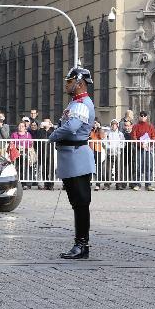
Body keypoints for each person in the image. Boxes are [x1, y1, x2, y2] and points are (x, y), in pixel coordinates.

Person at [50, 66, 96, 259]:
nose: (67, 84)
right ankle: (80, 243)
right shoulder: (75, 103)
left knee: (80, 203)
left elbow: (71, 127)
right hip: (71, 157)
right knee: (78, 203)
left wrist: (52, 135)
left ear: (79, 82)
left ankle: (81, 244)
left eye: (70, 81)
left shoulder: (82, 104)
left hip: (77, 157)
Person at [132, 111, 155, 190]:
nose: (143, 117)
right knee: (138, 166)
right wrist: (140, 145)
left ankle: (148, 184)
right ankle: (137, 184)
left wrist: (149, 144)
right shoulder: (135, 126)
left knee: (148, 166)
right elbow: (134, 137)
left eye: (144, 116)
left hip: (148, 149)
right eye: (141, 116)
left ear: (146, 117)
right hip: (139, 149)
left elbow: (154, 136)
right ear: (139, 117)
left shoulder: (150, 126)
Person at [10, 121, 34, 186]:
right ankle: (17, 183)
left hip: (25, 153)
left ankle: (26, 183)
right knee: (16, 168)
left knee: (25, 168)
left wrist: (24, 147)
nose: (21, 127)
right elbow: (11, 143)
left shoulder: (28, 134)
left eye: (22, 126)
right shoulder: (14, 134)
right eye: (19, 126)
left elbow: (30, 144)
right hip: (16, 153)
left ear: (25, 128)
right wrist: (16, 146)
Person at [104, 119, 125, 189]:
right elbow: (104, 142)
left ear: (117, 125)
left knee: (118, 169)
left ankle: (118, 184)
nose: (113, 126)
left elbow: (123, 143)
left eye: (115, 124)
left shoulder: (120, 134)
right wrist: (109, 147)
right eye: (112, 124)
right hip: (109, 154)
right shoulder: (107, 133)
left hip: (118, 153)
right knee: (108, 169)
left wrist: (119, 147)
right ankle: (107, 184)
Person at [89, 120, 107, 189]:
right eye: (93, 123)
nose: (95, 124)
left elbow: (102, 136)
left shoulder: (99, 130)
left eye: (96, 123)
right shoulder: (90, 130)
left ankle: (98, 184)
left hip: (97, 149)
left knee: (98, 167)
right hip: (90, 150)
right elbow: (88, 136)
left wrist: (99, 128)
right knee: (89, 167)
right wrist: (91, 128)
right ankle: (89, 183)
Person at [39, 119, 56, 189]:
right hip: (42, 151)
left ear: (49, 123)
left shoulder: (52, 130)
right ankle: (46, 184)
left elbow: (54, 136)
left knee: (50, 168)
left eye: (47, 122)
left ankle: (51, 184)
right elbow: (39, 136)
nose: (46, 123)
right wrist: (40, 128)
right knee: (44, 168)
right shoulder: (41, 130)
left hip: (50, 151)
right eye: (44, 122)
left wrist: (51, 127)